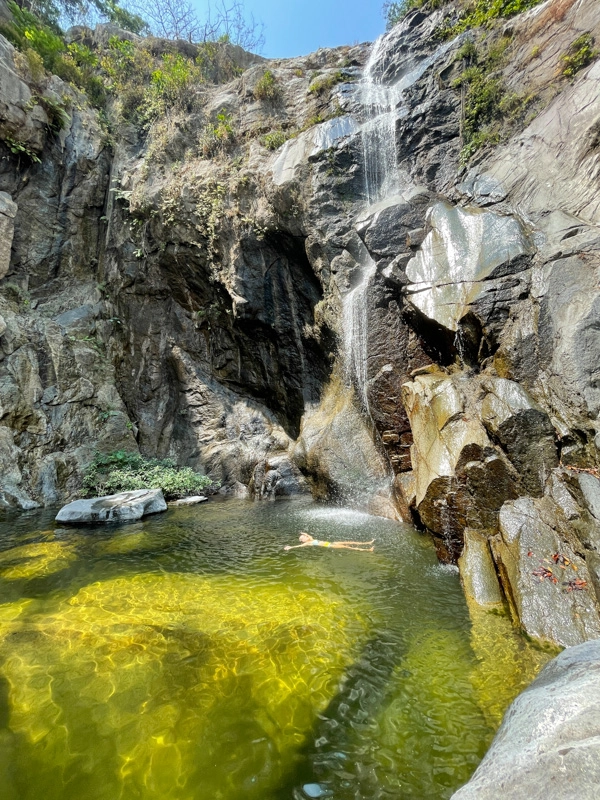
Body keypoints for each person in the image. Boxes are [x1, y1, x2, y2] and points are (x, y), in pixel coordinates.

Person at [284, 532, 375, 551]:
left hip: (332, 543)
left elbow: (310, 536)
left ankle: (367, 543)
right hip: (331, 546)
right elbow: (299, 546)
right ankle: (368, 550)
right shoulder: (308, 543)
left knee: (350, 542)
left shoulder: (310, 539)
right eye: (303, 537)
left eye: (304, 536)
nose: (305, 537)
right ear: (303, 540)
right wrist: (290, 547)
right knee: (348, 547)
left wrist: (305, 533)